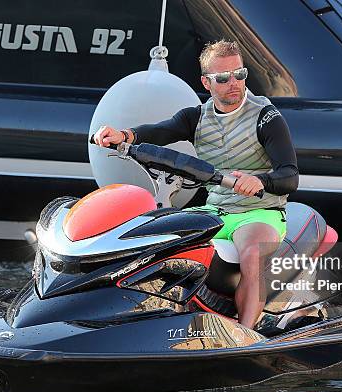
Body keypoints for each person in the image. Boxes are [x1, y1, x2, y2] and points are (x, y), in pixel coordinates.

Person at [93, 40, 298, 329]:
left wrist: (259, 180)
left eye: (240, 74)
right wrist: (124, 135)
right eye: (223, 78)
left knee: (252, 254)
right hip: (215, 211)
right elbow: (158, 131)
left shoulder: (266, 116)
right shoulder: (196, 117)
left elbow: (290, 176)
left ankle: (245, 336)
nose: (234, 83)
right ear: (206, 82)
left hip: (259, 213)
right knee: (160, 241)